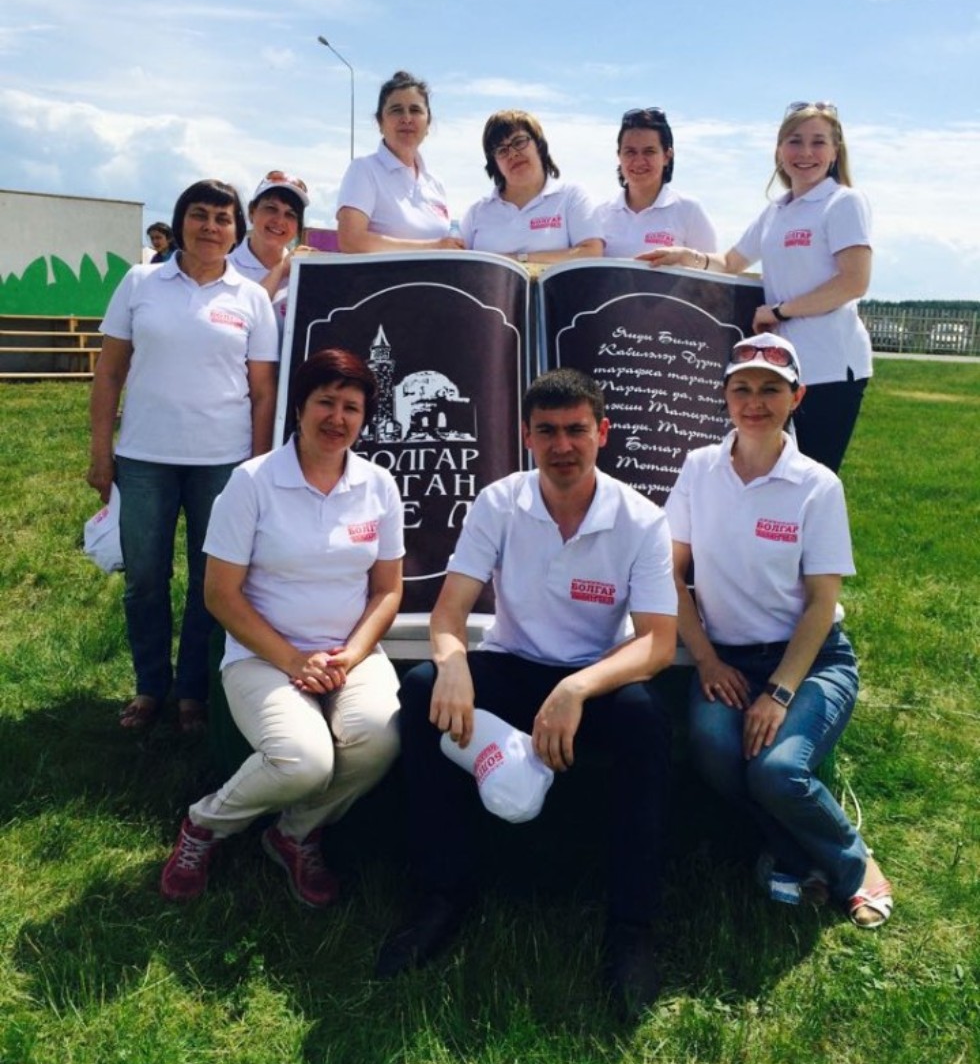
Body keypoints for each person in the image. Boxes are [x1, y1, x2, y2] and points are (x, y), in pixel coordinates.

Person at [376, 368, 678, 1012]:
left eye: (576, 430)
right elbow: (449, 614)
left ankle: (632, 926)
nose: (562, 446)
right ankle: (441, 894)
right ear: (526, 437)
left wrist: (576, 688)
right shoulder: (499, 501)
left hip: (590, 679)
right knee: (424, 691)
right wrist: (452, 664)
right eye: (547, 432)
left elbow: (657, 642)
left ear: (602, 432)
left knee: (644, 720)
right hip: (512, 665)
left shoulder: (641, 519)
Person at [159, 349, 404, 906]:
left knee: (381, 740)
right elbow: (219, 594)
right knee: (303, 761)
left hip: (349, 655)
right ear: (299, 407)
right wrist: (293, 660)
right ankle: (205, 824)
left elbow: (387, 590)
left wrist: (350, 654)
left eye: (351, 408)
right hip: (262, 655)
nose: (337, 418)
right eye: (325, 402)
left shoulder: (378, 486)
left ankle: (293, 834)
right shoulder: (252, 482)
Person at [665, 333, 893, 930]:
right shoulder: (698, 469)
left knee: (776, 770)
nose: (755, 401)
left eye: (771, 389)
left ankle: (852, 863)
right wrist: (707, 661)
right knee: (715, 752)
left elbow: (821, 603)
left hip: (812, 661)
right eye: (741, 388)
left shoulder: (817, 485)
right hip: (727, 659)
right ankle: (794, 847)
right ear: (725, 396)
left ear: (797, 397)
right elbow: (671, 574)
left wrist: (780, 692)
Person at [87, 179, 279, 733]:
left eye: (223, 218)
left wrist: (256, 466)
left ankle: (193, 691)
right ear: (180, 223)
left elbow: (263, 391)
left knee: (209, 582)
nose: (211, 227)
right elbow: (109, 373)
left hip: (222, 462)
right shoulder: (140, 282)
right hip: (144, 458)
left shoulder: (251, 298)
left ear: (236, 230)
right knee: (145, 578)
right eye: (200, 215)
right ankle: (151, 686)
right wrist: (101, 453)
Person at [644, 102, 872, 472]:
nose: (806, 152)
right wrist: (687, 256)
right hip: (782, 369)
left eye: (818, 142)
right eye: (795, 141)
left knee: (814, 477)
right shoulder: (776, 211)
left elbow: (853, 282)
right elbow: (730, 261)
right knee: (775, 475)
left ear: (835, 152)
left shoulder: (844, 202)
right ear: (779, 151)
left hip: (830, 366)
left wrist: (780, 311)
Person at [336, 71, 463, 253]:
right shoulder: (364, 170)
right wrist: (434, 247)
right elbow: (351, 240)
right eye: (396, 110)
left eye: (415, 110)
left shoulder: (436, 184)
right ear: (380, 122)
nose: (407, 118)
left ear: (428, 123)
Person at [459, 111, 604, 264]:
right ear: (494, 164)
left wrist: (517, 261)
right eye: (502, 150)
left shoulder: (571, 197)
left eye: (519, 142)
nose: (513, 154)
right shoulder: (476, 213)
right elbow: (458, 263)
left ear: (539, 145)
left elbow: (591, 252)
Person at [598, 107, 717, 259]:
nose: (639, 161)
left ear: (667, 156)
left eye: (649, 152)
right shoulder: (599, 215)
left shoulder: (689, 211)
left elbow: (712, 270)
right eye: (630, 152)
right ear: (619, 156)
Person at [230, 170, 312, 333]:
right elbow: (240, 320)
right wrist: (281, 269)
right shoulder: (224, 266)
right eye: (271, 208)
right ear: (251, 212)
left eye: (290, 214)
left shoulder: (305, 272)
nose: (279, 220)